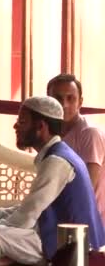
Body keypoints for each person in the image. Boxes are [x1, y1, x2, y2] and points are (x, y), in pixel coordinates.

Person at [0, 96, 105, 265]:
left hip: (69, 249)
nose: (15, 126)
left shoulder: (57, 161)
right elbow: (28, 208)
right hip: (64, 242)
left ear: (40, 127)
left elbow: (25, 217)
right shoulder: (58, 154)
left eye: (22, 121)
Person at [47, 73, 105, 221]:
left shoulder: (89, 134)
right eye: (58, 98)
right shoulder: (52, 136)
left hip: (90, 226)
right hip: (64, 219)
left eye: (70, 98)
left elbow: (86, 189)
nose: (64, 104)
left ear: (80, 102)